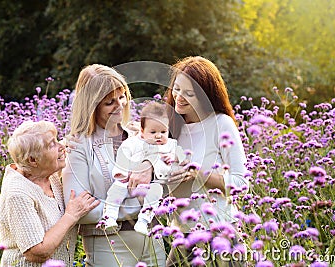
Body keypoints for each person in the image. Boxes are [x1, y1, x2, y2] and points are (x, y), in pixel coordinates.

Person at [62, 64, 166, 267]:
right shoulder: (79, 146)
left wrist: (151, 166)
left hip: (153, 238)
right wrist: (134, 208)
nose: (120, 105)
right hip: (108, 244)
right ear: (92, 107)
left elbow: (168, 173)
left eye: (122, 97)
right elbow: (78, 208)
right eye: (110, 102)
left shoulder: (138, 134)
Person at [163, 56, 250, 266]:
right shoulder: (170, 126)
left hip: (219, 235)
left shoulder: (221, 123)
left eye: (189, 93)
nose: (179, 98)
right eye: (176, 89)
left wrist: (199, 173)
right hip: (182, 237)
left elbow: (241, 184)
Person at [0, 120, 99, 266]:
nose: (61, 146)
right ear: (32, 160)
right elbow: (37, 252)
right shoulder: (18, 193)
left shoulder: (47, 175)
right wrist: (71, 215)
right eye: (52, 144)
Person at [102, 101, 186, 235]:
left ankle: (144, 220)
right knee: (116, 189)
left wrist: (176, 157)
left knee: (156, 192)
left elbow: (182, 155)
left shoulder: (170, 145)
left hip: (151, 184)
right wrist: (122, 173)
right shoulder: (133, 143)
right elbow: (123, 154)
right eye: (153, 132)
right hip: (129, 181)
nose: (158, 136)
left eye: (163, 131)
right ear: (142, 131)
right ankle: (109, 217)